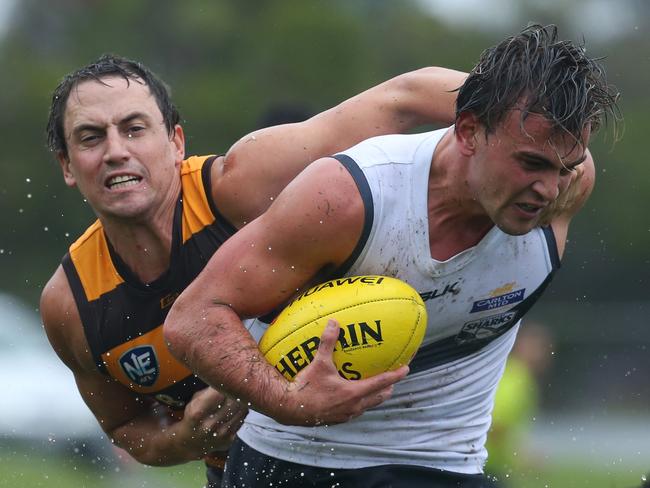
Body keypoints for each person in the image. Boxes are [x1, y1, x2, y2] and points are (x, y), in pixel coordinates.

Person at [164, 24, 620, 487]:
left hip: (442, 465)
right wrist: (285, 399)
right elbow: (194, 317)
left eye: (566, 166)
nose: (548, 188)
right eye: (530, 163)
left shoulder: (568, 190)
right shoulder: (349, 198)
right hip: (294, 461)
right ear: (468, 132)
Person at [39, 53, 467, 486]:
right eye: (91, 138)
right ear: (67, 166)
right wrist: (187, 440)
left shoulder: (241, 184)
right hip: (244, 475)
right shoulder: (70, 305)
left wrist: (521, 117)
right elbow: (125, 428)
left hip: (383, 461)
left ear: (175, 143)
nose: (116, 152)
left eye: (135, 129)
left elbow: (405, 96)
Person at [485, 321, 554, 485]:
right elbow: (495, 426)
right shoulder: (519, 379)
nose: (545, 355)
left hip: (488, 464)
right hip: (485, 465)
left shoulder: (508, 371)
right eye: (539, 348)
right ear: (521, 347)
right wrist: (521, 455)